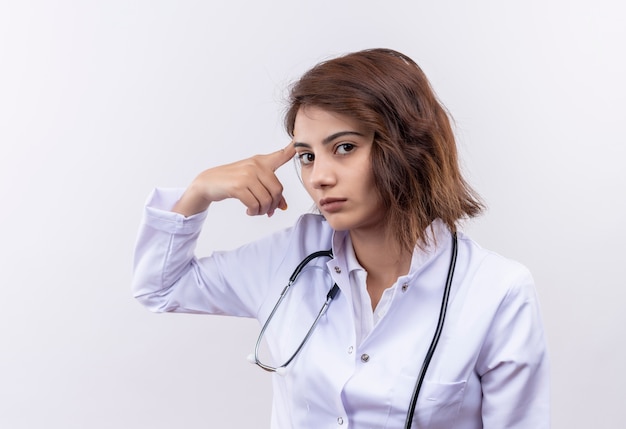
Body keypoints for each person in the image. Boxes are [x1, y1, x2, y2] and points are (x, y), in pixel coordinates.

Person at [132, 48, 550, 428]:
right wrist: (200, 191)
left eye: (345, 147)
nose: (319, 177)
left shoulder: (497, 292)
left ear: (407, 147)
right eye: (307, 156)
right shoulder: (290, 256)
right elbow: (159, 288)